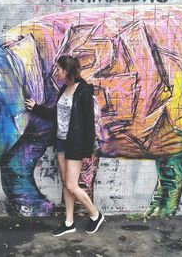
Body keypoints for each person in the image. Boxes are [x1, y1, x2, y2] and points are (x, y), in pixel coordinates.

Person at [25, 55, 104, 236]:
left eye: (59, 69)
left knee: (71, 184)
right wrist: (37, 108)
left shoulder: (83, 90)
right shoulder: (63, 89)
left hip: (74, 145)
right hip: (60, 141)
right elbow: (56, 114)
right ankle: (69, 222)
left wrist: (86, 148)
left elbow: (88, 123)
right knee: (65, 183)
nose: (57, 72)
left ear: (67, 70)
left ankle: (95, 214)